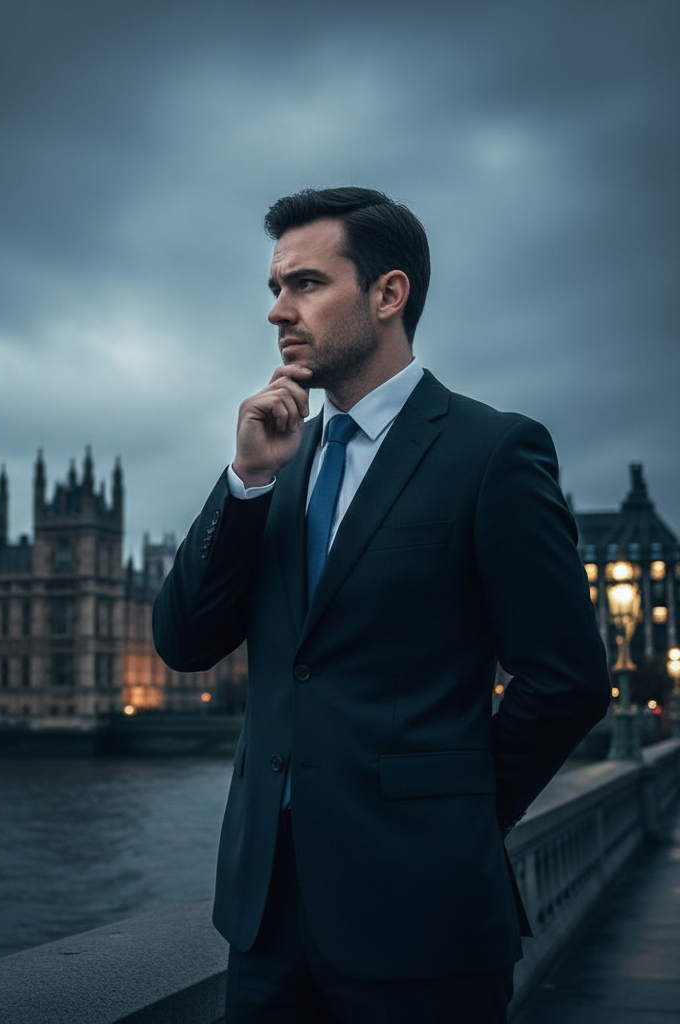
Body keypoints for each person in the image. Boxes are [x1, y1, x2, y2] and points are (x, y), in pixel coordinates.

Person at [152, 187, 610, 1023]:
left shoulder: (491, 451)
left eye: (305, 284)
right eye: (273, 289)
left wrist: (454, 814)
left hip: (423, 914)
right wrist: (246, 481)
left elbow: (569, 679)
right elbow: (184, 641)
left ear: (387, 295)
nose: (277, 312)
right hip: (265, 922)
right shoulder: (281, 460)